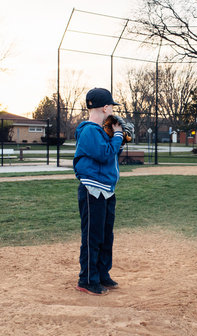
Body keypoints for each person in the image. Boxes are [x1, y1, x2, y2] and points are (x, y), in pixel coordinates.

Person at [73, 87, 123, 295]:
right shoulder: (89, 131)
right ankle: (87, 279)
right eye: (111, 107)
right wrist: (118, 135)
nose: (112, 111)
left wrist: (115, 137)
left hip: (106, 190)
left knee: (105, 235)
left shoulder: (100, 131)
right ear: (104, 107)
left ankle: (102, 274)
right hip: (92, 190)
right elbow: (104, 154)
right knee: (92, 236)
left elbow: (112, 153)